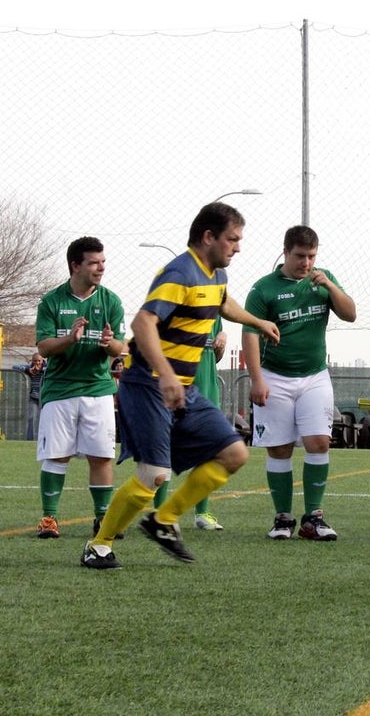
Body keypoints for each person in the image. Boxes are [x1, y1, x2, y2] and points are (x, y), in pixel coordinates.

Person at [81, 202, 280, 569]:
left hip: (182, 389)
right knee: (153, 474)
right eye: (232, 239)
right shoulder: (180, 273)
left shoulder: (215, 274)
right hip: (147, 385)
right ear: (208, 237)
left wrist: (257, 321)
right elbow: (142, 324)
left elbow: (223, 302)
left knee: (234, 454)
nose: (237, 247)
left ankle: (163, 521)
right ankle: (100, 545)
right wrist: (167, 373)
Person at [244, 225, 357, 541]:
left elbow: (350, 314)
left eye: (311, 256)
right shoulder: (263, 289)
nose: (306, 263)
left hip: (314, 376)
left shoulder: (323, 280)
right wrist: (256, 379)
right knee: (279, 448)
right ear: (285, 252)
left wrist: (331, 287)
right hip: (275, 377)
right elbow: (250, 333)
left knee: (318, 442)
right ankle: (282, 519)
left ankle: (314, 518)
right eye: (299, 256)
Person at [34, 237, 126, 539]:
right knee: (56, 456)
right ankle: (49, 519)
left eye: (102, 261)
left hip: (98, 390)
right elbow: (44, 348)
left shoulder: (110, 301)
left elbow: (119, 348)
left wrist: (109, 342)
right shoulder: (52, 301)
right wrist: (70, 339)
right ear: (76, 265)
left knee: (101, 456)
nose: (101, 267)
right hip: (60, 390)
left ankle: (103, 520)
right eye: (94, 262)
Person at [150, 318, 229, 530]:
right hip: (176, 389)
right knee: (165, 450)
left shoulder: (213, 311)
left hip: (206, 389)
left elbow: (215, 357)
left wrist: (222, 340)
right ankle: (161, 514)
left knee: (207, 452)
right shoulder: (169, 304)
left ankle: (202, 512)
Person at [11, 353, 46, 441]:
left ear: (42, 361)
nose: (37, 363)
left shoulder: (46, 368)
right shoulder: (30, 367)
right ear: (32, 361)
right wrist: (28, 370)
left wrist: (41, 370)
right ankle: (30, 439)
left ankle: (43, 438)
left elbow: (52, 369)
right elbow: (14, 367)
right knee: (31, 418)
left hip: (44, 398)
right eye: (35, 361)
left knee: (45, 419)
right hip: (33, 397)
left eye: (39, 361)